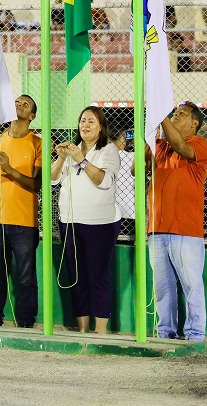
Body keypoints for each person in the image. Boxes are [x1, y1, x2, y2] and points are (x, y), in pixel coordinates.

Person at [135, 101, 207, 341]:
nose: (176, 116)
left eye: (181, 114)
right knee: (163, 289)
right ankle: (165, 333)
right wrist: (149, 136)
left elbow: (180, 145)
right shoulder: (161, 145)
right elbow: (137, 169)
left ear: (194, 123)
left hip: (185, 231)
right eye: (174, 113)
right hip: (157, 229)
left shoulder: (198, 143)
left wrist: (160, 115)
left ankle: (195, 335)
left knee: (192, 286)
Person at [51, 107, 120, 334]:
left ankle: (101, 330)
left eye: (91, 121)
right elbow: (52, 180)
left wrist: (81, 160)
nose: (85, 125)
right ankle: (82, 329)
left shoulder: (108, 150)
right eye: (82, 121)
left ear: (101, 127)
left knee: (97, 276)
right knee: (76, 277)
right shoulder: (73, 150)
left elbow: (104, 181)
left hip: (100, 224)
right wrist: (61, 158)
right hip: (71, 221)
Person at [0, 95, 42, 328]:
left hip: (25, 222)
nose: (19, 105)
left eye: (25, 104)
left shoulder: (37, 143)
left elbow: (37, 185)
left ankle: (26, 321)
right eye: (17, 102)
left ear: (32, 116)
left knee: (26, 277)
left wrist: (9, 170)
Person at [109, 129, 135, 237]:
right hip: (129, 211)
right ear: (123, 138)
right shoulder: (133, 157)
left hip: (108, 212)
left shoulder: (102, 157)